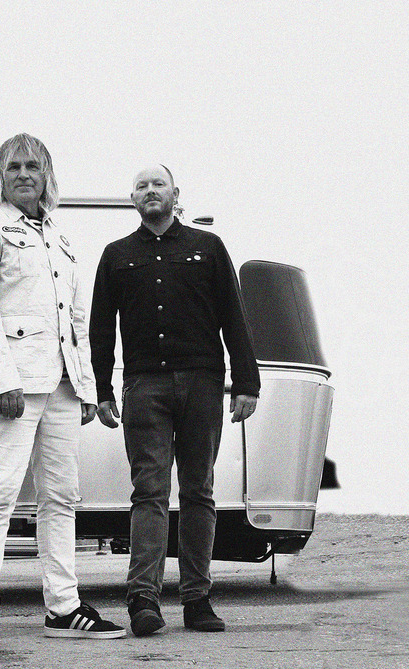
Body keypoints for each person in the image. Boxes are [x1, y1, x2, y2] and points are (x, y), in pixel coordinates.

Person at [0, 134, 126, 652]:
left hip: (62, 387)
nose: (24, 174)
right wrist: (2, 378)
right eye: (14, 167)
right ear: (0, 176)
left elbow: (77, 319)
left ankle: (64, 606)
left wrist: (87, 387)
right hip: (12, 385)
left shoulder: (60, 238)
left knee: (61, 498)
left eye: (33, 166)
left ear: (47, 174)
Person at [89, 165, 260, 636]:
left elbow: (234, 316)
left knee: (198, 490)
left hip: (203, 383)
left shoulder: (209, 247)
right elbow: (101, 328)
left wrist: (247, 382)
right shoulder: (116, 255)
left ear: (175, 193)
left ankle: (197, 600)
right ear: (133, 199)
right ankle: (143, 600)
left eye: (158, 184)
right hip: (144, 387)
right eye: (141, 186)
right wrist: (101, 390)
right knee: (149, 492)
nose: (150, 191)